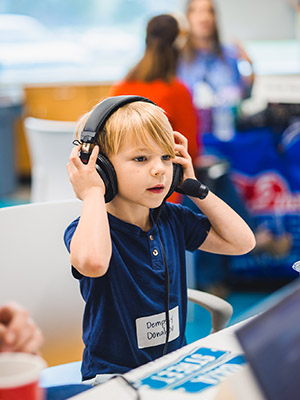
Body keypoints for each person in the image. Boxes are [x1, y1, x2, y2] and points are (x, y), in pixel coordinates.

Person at [64, 96, 255, 383]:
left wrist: (195, 188)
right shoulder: (88, 229)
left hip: (174, 369)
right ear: (100, 166)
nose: (159, 170)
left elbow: (242, 243)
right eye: (141, 159)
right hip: (112, 379)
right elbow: (93, 262)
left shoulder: (174, 219)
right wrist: (93, 193)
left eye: (166, 158)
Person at [109, 14, 199, 203]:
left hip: (122, 192)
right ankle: (250, 231)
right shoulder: (176, 90)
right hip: (164, 189)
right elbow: (191, 151)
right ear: (178, 46)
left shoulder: (120, 88)